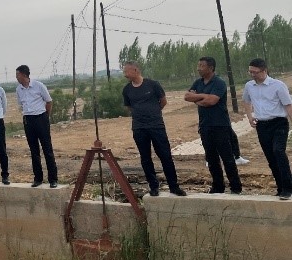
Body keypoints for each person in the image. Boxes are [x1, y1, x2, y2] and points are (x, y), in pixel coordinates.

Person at [122, 61, 186, 197]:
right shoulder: (127, 90)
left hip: (156, 126)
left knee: (165, 155)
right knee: (145, 158)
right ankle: (153, 187)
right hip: (139, 128)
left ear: (135, 70)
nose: (125, 74)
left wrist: (154, 113)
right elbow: (129, 107)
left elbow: (163, 101)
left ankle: (174, 186)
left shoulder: (153, 85)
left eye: (126, 71)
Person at [184, 57, 242, 194]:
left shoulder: (219, 83)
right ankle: (218, 187)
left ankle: (236, 187)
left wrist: (197, 98)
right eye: (198, 65)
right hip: (205, 126)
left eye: (201, 66)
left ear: (210, 68)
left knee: (227, 158)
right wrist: (202, 97)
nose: (198, 68)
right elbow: (187, 96)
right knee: (211, 159)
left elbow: (211, 101)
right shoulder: (198, 82)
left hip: (220, 126)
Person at [242, 58, 292, 200]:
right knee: (271, 157)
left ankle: (288, 188)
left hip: (279, 123)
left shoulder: (278, 85)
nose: (252, 75)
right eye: (250, 72)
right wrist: (250, 117)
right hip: (262, 125)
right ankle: (280, 188)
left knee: (278, 151)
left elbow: (288, 105)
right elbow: (246, 101)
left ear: (264, 71)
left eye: (255, 72)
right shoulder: (249, 86)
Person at [15, 64, 58, 188]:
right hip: (28, 120)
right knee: (34, 151)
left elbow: (49, 101)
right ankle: (38, 178)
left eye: (17, 75)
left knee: (47, 149)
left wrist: (45, 116)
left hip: (41, 118)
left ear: (24, 75)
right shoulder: (18, 89)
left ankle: (53, 179)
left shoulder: (39, 86)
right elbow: (21, 104)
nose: (16, 77)